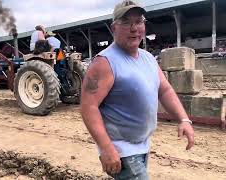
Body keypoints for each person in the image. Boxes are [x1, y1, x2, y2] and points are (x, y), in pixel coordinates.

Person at [80, 1, 194, 179]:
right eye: (126, 22)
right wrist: (106, 148)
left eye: (139, 21)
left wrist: (184, 119)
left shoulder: (148, 58)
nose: (134, 28)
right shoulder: (104, 63)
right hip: (121, 149)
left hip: (143, 144)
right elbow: (88, 107)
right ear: (114, 28)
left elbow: (164, 90)